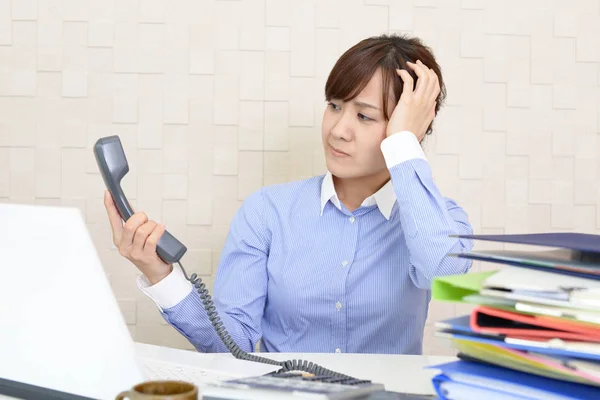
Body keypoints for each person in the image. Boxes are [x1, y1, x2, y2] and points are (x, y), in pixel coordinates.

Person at [104, 33, 473, 355]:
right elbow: (234, 342)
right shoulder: (267, 211)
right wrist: (160, 274)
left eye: (364, 116)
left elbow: (445, 275)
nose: (338, 130)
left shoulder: (440, 221)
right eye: (334, 106)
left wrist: (405, 144)